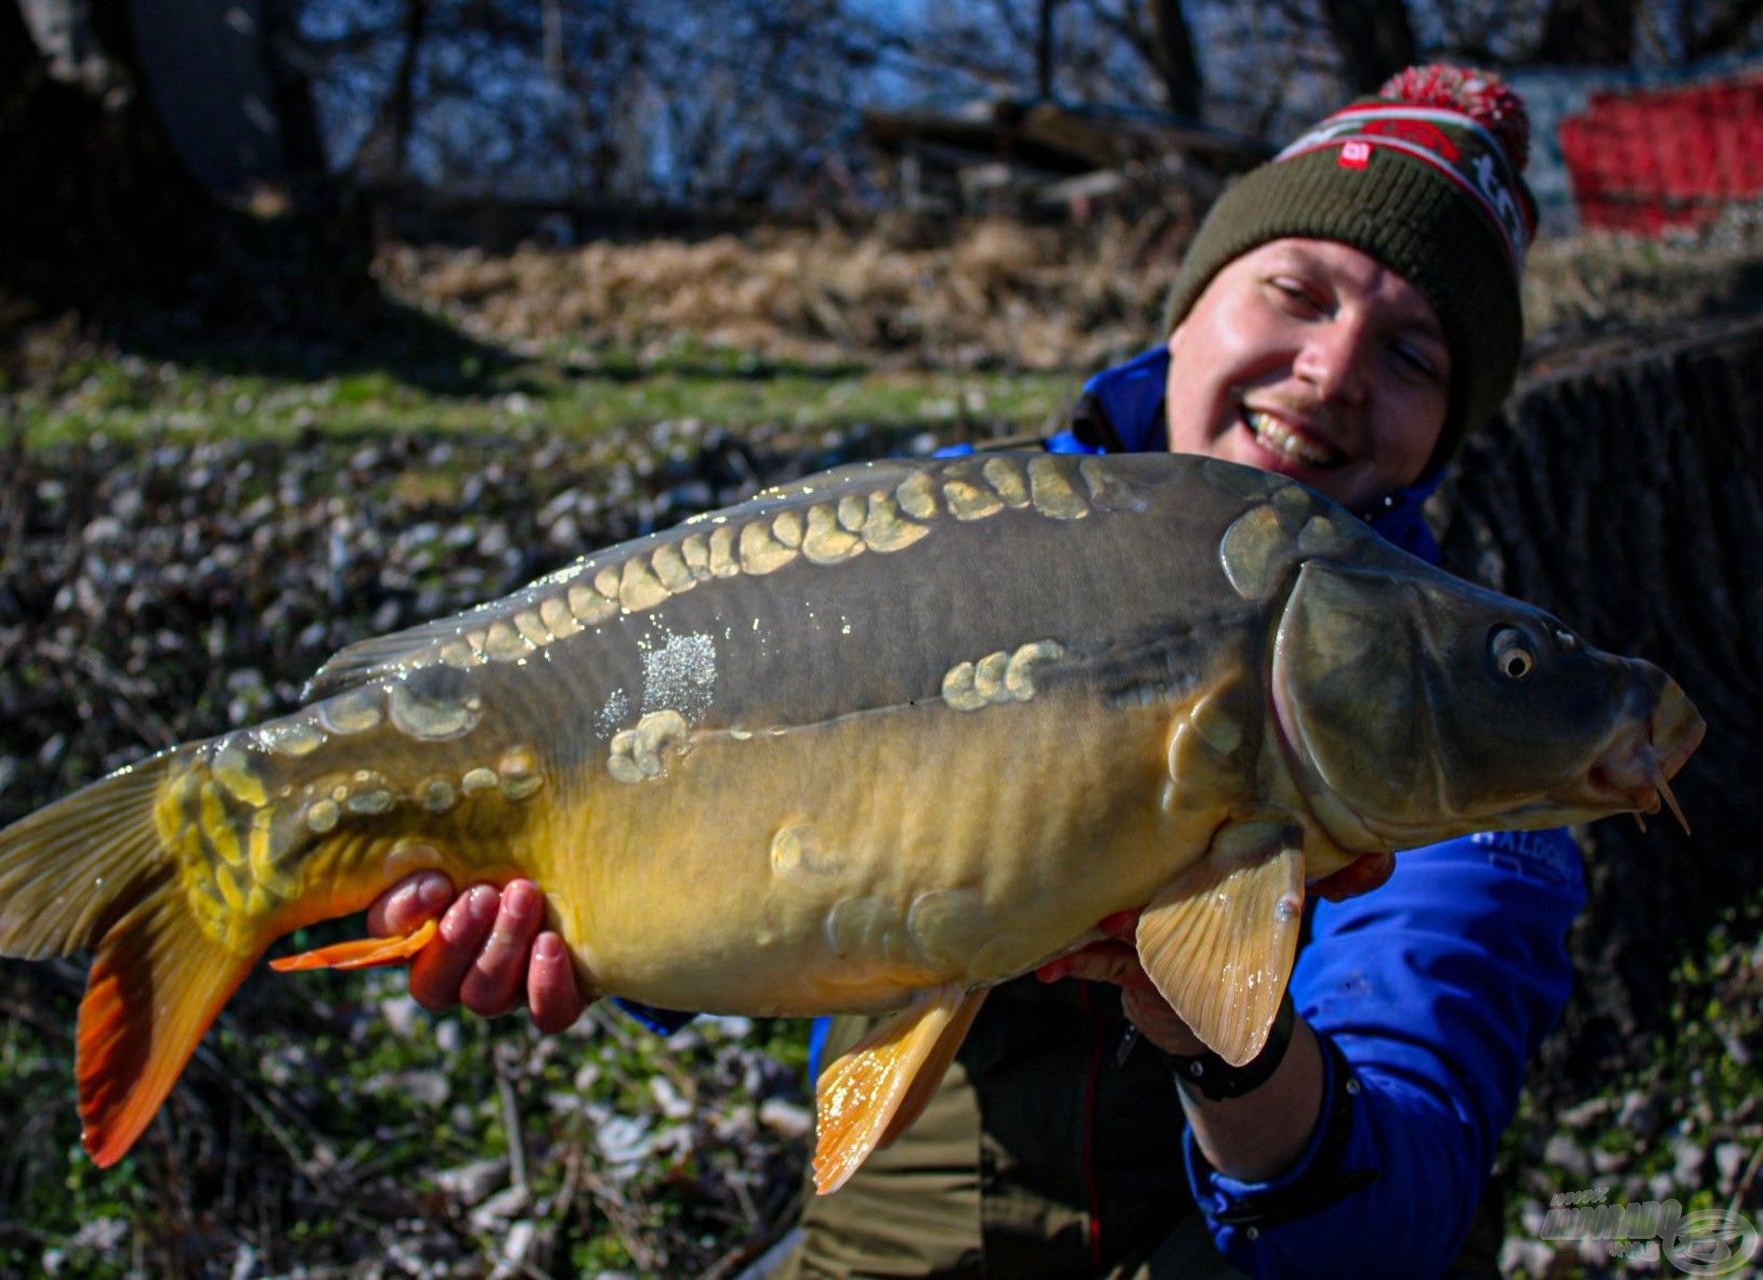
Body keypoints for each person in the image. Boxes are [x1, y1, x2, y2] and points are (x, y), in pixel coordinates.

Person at [363, 65, 1584, 1279]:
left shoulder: (1459, 717)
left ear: (1445, 430)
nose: (1333, 370)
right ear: (1193, 302)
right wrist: (584, 928)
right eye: (1293, 290)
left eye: (1414, 355)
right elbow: (710, 822)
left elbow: (1395, 1216)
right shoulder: (933, 534)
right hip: (905, 1228)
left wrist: (1234, 1048)